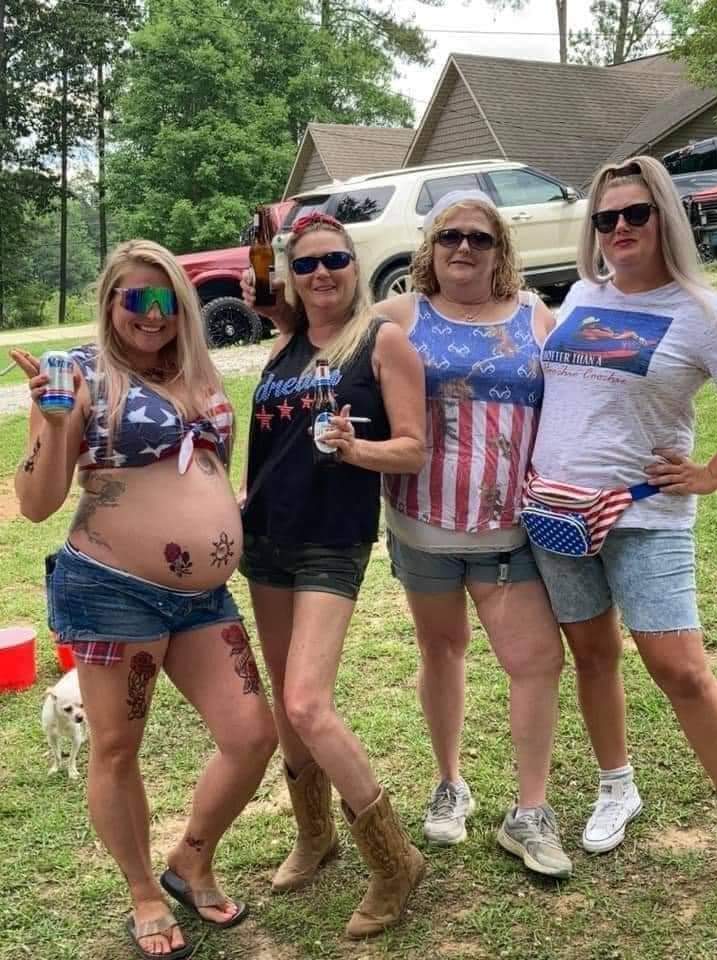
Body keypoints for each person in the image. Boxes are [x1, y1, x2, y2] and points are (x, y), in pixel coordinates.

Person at [13, 240, 277, 960]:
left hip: (202, 600)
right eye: (136, 300)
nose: (151, 315)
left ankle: (190, 862)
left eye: (165, 301)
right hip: (112, 593)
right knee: (118, 747)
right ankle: (142, 893)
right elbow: (36, 503)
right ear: (110, 305)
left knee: (253, 734)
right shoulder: (83, 375)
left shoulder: (196, 370)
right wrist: (54, 426)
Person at [373, 190, 572, 878]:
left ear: (500, 250)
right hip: (420, 525)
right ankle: (451, 782)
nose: (463, 247)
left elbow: (585, 394)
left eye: (479, 238)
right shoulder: (399, 314)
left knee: (537, 660)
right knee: (442, 648)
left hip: (510, 530)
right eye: (449, 235)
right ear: (429, 247)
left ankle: (531, 812)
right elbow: (327, 344)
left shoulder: (535, 319)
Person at [240, 212, 427, 938]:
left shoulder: (383, 342)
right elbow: (261, 285)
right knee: (288, 710)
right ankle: (314, 836)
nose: (323, 273)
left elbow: (412, 449)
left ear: (356, 265)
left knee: (310, 704)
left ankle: (394, 861)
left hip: (331, 541)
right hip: (265, 540)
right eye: (308, 262)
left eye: (335, 260)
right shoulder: (286, 337)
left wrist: (357, 451)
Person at [529, 155, 717, 854]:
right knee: (592, 654)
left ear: (664, 216)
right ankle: (618, 784)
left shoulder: (700, 313)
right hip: (557, 513)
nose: (619, 228)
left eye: (635, 213)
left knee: (681, 671)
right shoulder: (581, 296)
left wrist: (707, 475)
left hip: (645, 516)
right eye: (606, 218)